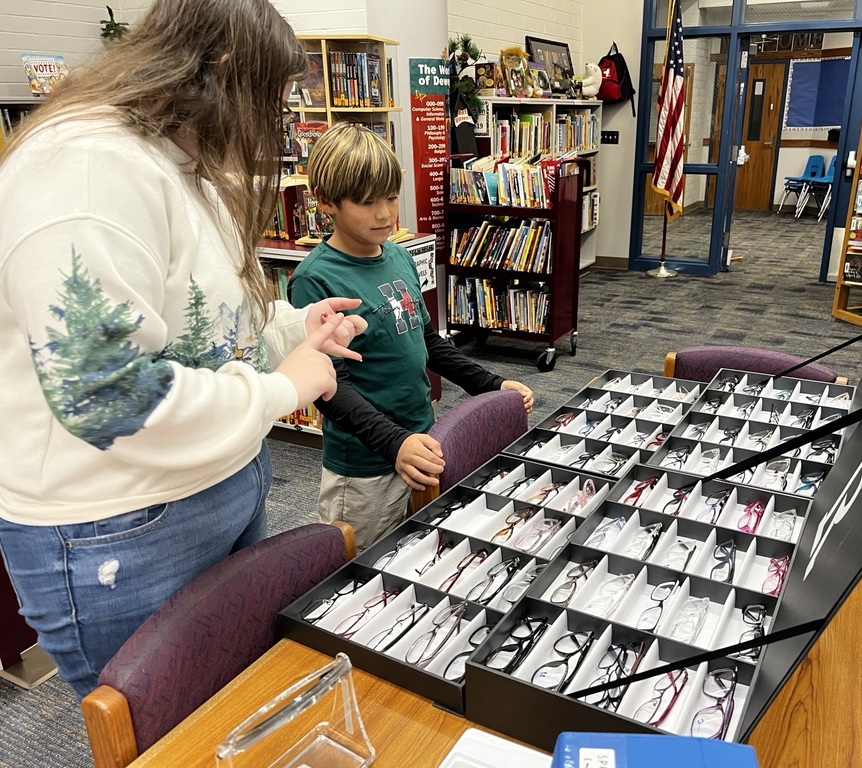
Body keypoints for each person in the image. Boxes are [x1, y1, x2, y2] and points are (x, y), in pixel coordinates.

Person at [0, 0, 367, 699]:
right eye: (273, 99)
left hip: (208, 488)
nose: (279, 123)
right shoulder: (84, 170)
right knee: (170, 735)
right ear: (223, 75)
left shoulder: (179, 161)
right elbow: (105, 395)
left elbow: (202, 325)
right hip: (119, 530)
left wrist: (292, 329)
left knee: (228, 709)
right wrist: (280, 390)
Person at [288, 123, 534, 552]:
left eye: (391, 197)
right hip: (365, 469)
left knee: (418, 555)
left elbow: (426, 341)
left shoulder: (399, 255)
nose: (384, 213)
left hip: (422, 440)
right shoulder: (315, 279)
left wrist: (490, 384)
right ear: (326, 202)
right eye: (367, 202)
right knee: (364, 569)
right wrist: (394, 442)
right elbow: (331, 390)